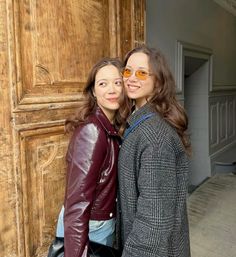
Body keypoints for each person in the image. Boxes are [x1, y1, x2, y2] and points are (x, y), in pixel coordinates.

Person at [118, 45, 191, 257]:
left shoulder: (155, 136)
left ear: (157, 81)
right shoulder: (141, 120)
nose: (131, 78)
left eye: (141, 72)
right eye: (127, 71)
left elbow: (154, 220)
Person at [60, 57, 128, 257]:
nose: (112, 90)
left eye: (117, 83)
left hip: (100, 224)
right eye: (102, 84)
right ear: (93, 91)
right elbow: (77, 203)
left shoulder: (112, 126)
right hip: (89, 227)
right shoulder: (92, 130)